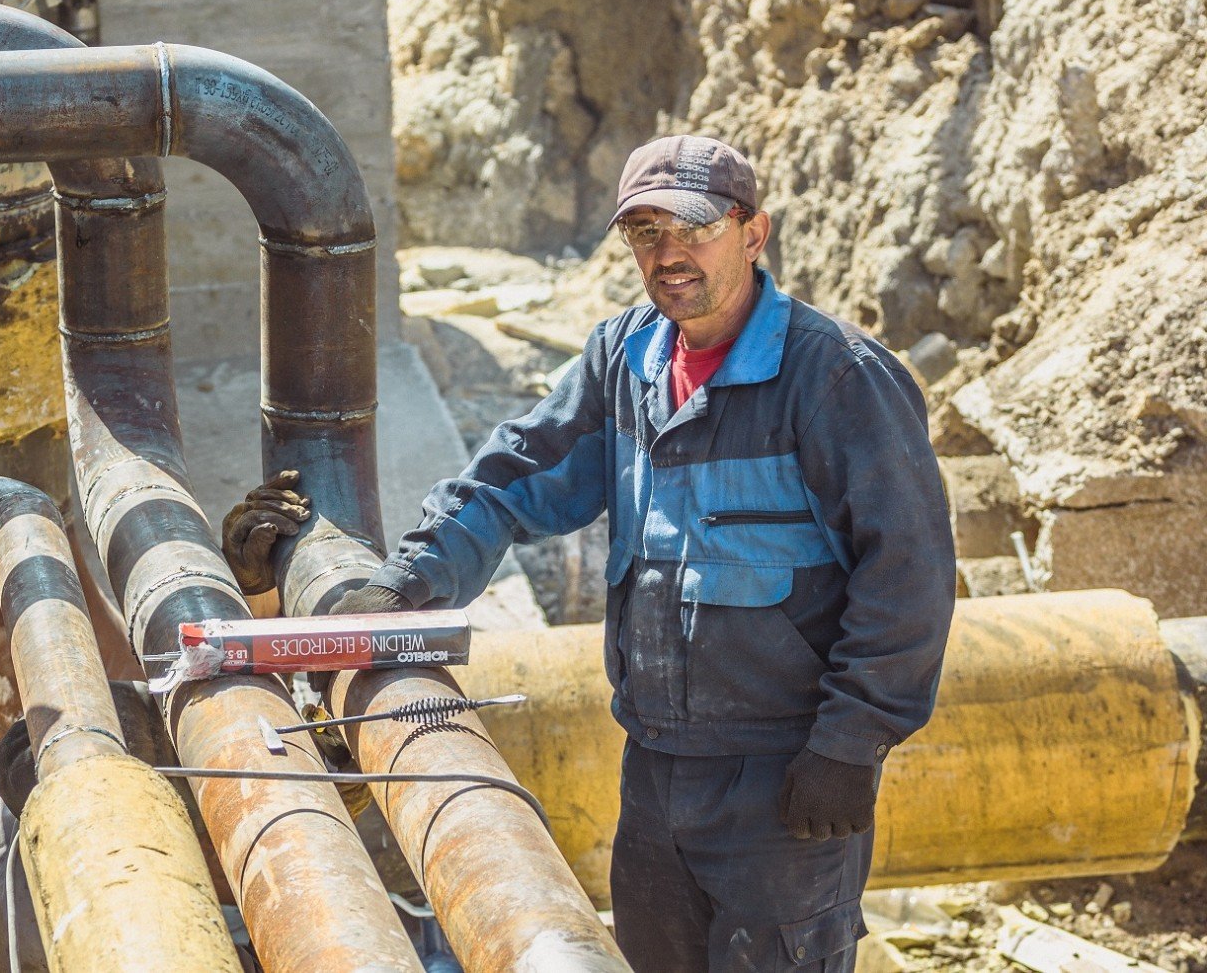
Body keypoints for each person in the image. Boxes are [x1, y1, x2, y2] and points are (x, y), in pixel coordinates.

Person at [224, 134, 956, 972]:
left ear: (755, 232)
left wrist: (850, 742)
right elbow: (512, 479)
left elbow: (912, 576)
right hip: (653, 775)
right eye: (646, 233)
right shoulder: (626, 361)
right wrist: (405, 588)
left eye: (693, 228)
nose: (668, 255)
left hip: (781, 786)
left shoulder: (833, 380)